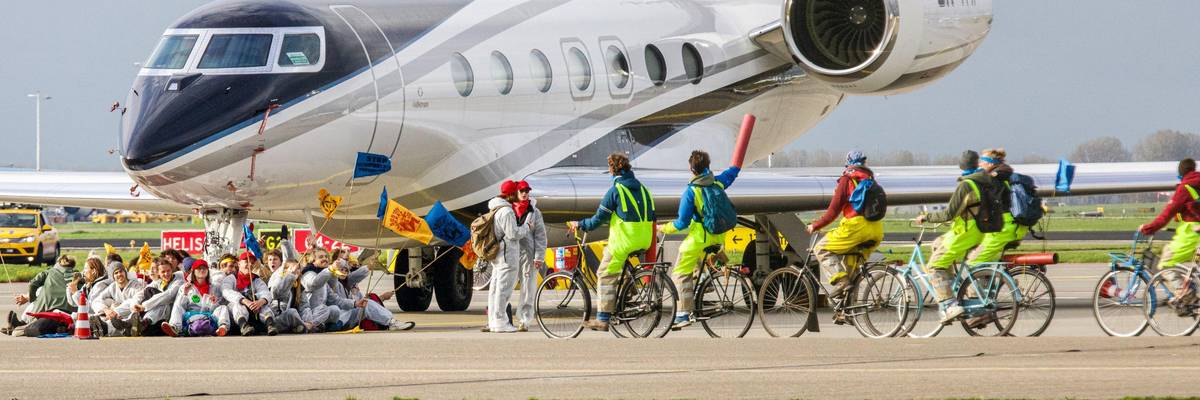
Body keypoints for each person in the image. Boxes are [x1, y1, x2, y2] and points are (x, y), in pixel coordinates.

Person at [568, 153, 655, 332]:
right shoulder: (644, 189)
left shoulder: (616, 191)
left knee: (605, 273)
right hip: (645, 238)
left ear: (612, 169)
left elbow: (598, 219)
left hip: (625, 241)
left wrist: (581, 224)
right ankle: (626, 292)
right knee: (618, 268)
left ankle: (602, 318)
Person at [915, 150, 999, 324]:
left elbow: (949, 214)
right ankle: (966, 295)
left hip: (964, 234)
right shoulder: (984, 182)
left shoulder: (966, 185)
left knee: (934, 266)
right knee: (937, 244)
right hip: (981, 232)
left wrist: (926, 217)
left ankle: (949, 304)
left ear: (961, 165)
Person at [659, 150, 739, 329]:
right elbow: (732, 174)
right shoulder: (717, 182)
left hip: (700, 239)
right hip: (719, 236)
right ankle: (705, 278)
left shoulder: (691, 191)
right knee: (697, 263)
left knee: (679, 274)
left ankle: (683, 314)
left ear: (691, 169)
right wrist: (736, 166)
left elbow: (681, 224)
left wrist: (663, 228)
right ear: (708, 166)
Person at [806, 151, 884, 307]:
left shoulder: (847, 179)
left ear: (848, 163)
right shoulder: (871, 180)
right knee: (852, 273)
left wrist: (816, 225)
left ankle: (840, 281)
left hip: (855, 228)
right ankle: (846, 312)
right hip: (876, 229)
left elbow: (833, 212)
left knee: (821, 248)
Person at [1125, 158, 1200, 304]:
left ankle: (1187, 295)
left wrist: (1149, 228)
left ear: (1181, 174)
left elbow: (1166, 215)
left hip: (1193, 233)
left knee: (1165, 262)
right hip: (1194, 232)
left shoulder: (1185, 188)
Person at [967, 149, 1030, 264]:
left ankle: (996, 279)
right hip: (1012, 227)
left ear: (990, 163)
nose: (980, 164)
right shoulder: (1003, 178)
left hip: (1002, 228)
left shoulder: (994, 180)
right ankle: (989, 278)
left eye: (982, 161)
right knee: (984, 258)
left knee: (973, 262)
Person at [483, 180, 529, 333]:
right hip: (507, 255)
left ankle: (493, 321)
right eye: (516, 192)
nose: (518, 194)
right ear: (510, 194)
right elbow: (513, 233)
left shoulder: (495, 208)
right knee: (504, 290)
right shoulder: (507, 211)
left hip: (498, 254)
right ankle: (501, 322)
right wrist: (526, 228)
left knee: (496, 289)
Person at [5, 255, 77, 336]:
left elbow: (33, 284)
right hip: (70, 313)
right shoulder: (76, 275)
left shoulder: (50, 271)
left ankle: (22, 323)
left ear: (59, 262)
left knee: (35, 300)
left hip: (48, 310)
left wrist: (31, 298)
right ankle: (21, 325)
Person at [163, 260, 230, 337]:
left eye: (204, 268)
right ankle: (175, 328)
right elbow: (181, 306)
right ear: (193, 271)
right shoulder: (185, 287)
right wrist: (185, 293)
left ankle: (223, 327)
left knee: (223, 307)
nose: (202, 270)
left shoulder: (215, 287)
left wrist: (214, 302)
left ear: (208, 271)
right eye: (199, 268)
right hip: (191, 317)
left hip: (208, 317)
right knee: (177, 306)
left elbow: (216, 308)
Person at [514, 180, 547, 332]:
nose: (525, 193)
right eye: (522, 191)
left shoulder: (535, 212)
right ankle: (500, 317)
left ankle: (524, 320)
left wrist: (539, 257)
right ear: (516, 192)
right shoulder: (508, 210)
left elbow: (540, 236)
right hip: (511, 254)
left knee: (528, 288)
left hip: (528, 255)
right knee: (504, 288)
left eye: (527, 190)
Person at [220, 252, 275, 336]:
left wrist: (261, 301)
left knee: (264, 305)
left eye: (252, 262)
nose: (250, 264)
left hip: (254, 313)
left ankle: (270, 325)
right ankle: (244, 326)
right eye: (246, 261)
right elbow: (226, 291)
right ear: (239, 263)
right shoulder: (231, 278)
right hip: (235, 317)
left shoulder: (256, 279)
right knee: (237, 305)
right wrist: (244, 300)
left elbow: (266, 292)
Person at [91, 263, 145, 337]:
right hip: (116, 319)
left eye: (121, 271)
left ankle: (103, 325)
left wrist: (115, 311)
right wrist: (106, 310)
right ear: (113, 276)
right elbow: (96, 301)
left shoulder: (136, 285)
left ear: (125, 273)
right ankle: (99, 326)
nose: (119, 274)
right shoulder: (112, 287)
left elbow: (137, 300)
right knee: (106, 302)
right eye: (116, 273)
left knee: (130, 302)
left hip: (131, 316)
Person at [132, 258, 182, 336]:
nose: (166, 274)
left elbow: (167, 295)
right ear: (158, 273)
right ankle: (130, 323)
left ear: (172, 270)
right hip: (157, 316)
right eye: (163, 272)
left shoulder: (178, 281)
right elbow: (140, 294)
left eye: (168, 271)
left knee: (162, 303)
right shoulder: (158, 282)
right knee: (148, 290)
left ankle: (144, 322)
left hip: (171, 312)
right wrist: (135, 305)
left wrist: (144, 306)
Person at [300, 247, 339, 332]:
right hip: (307, 312)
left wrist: (354, 303)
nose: (325, 259)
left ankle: (318, 326)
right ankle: (309, 326)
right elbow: (314, 283)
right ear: (313, 261)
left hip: (320, 311)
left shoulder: (323, 273)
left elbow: (334, 291)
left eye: (326, 257)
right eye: (321, 257)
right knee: (323, 308)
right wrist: (330, 269)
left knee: (335, 310)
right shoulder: (308, 272)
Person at [267, 259, 307, 334]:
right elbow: (276, 293)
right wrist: (290, 276)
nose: (296, 270)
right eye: (292, 268)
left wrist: (309, 320)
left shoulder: (298, 286)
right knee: (292, 312)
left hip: (289, 320)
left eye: (298, 268)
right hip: (275, 319)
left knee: (304, 310)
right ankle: (303, 326)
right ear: (285, 271)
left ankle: (303, 326)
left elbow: (305, 306)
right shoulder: (278, 280)